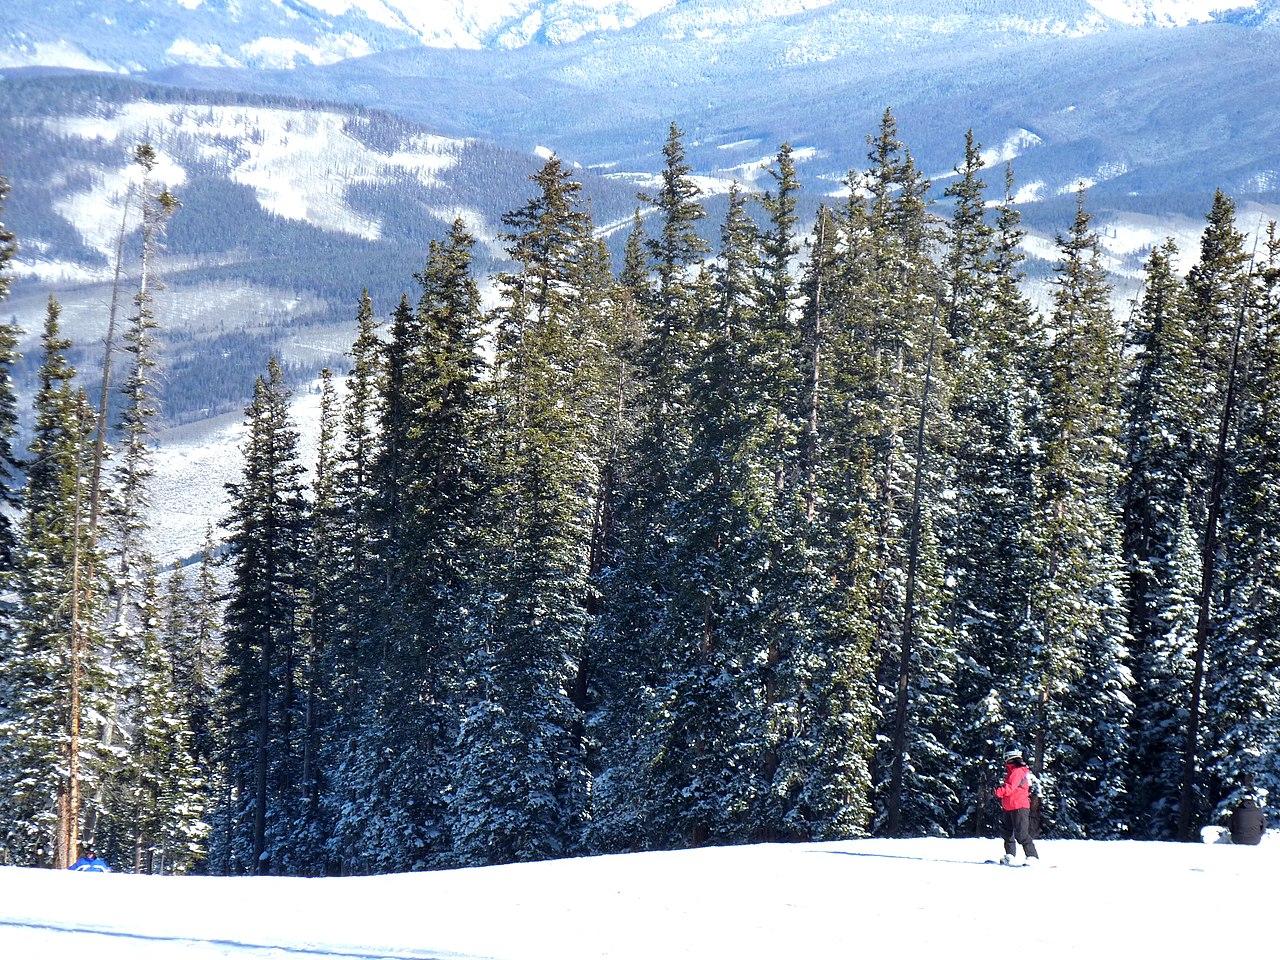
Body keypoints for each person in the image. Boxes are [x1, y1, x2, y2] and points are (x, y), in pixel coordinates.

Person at [994, 748, 1040, 865]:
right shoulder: (1011, 771)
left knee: (1021, 834)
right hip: (1009, 806)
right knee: (1007, 833)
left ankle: (1032, 856)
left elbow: (1010, 787)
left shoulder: (1018, 771)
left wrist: (996, 792)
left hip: (1019, 806)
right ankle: (1010, 855)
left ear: (1010, 757)